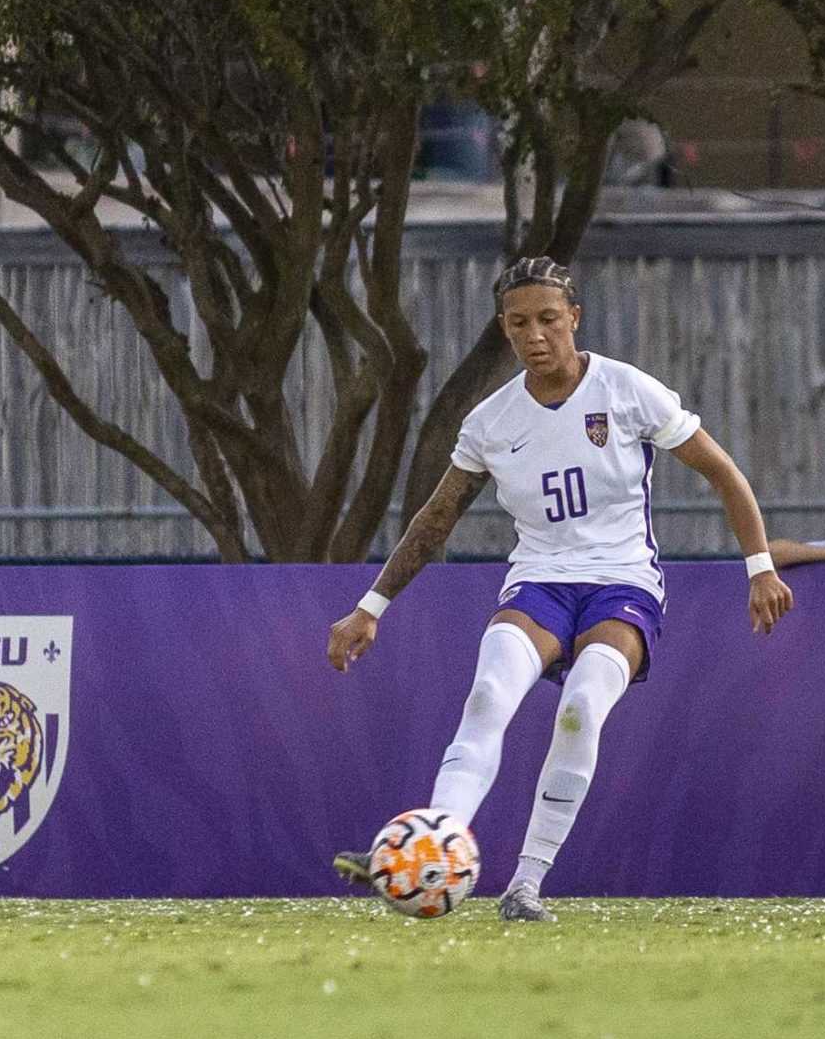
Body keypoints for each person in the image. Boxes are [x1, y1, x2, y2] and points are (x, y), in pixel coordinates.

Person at [325, 257, 793, 922]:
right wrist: (369, 608)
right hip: (540, 582)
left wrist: (760, 568)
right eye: (519, 323)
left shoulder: (626, 391)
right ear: (504, 329)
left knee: (579, 708)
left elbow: (722, 472)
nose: (535, 334)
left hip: (622, 585)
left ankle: (526, 884)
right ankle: (429, 849)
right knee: (488, 694)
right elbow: (436, 519)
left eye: (548, 318)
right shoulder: (491, 420)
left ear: (574, 317)